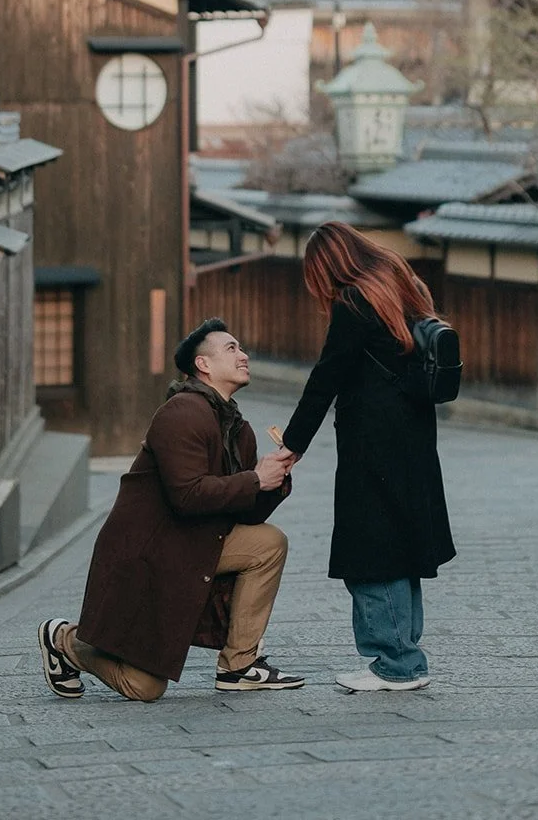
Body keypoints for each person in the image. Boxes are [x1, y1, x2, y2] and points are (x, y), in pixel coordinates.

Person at [39, 318, 304, 701]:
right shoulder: (182, 413)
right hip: (151, 555)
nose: (243, 355)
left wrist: (274, 480)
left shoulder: (238, 429)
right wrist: (253, 480)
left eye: (241, 348)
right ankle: (65, 640)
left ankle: (239, 666)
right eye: (231, 348)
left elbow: (244, 515)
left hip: (196, 545)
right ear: (204, 365)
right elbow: (188, 496)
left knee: (267, 542)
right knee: (145, 688)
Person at [277, 222, 455, 692]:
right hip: (412, 439)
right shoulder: (402, 283)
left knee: (373, 549)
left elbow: (326, 378)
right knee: (399, 546)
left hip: (373, 445)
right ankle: (404, 656)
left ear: (329, 266)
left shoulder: (355, 301)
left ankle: (397, 661)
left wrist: (291, 445)